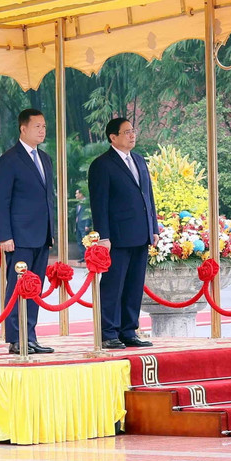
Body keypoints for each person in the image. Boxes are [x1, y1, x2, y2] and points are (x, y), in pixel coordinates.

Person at [88, 118, 159, 349]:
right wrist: (104, 236)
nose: (132, 135)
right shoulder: (102, 164)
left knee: (134, 285)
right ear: (113, 137)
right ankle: (108, 333)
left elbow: (148, 197)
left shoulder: (138, 160)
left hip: (141, 234)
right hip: (117, 237)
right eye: (126, 132)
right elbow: (100, 203)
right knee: (113, 286)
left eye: (133, 131)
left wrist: (154, 228)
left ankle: (129, 330)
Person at [0, 108, 56, 354]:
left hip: (41, 235)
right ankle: (16, 338)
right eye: (37, 126)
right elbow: (1, 200)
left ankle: (30, 335)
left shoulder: (45, 159)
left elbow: (47, 199)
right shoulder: (9, 160)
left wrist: (50, 231)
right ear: (23, 128)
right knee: (17, 286)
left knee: (35, 287)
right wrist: (5, 235)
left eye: (44, 126)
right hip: (18, 237)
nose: (42, 130)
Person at [74, 189, 91, 262]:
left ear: (81, 194)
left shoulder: (86, 203)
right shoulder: (78, 204)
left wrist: (87, 224)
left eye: (77, 193)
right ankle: (83, 256)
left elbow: (88, 214)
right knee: (79, 241)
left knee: (85, 241)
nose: (76, 195)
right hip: (78, 225)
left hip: (84, 225)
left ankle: (88, 257)